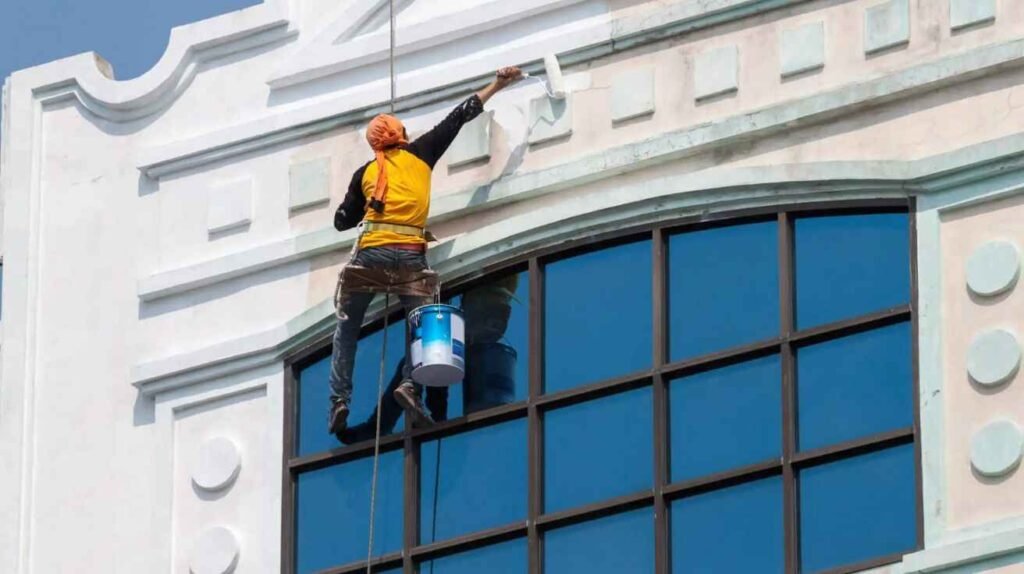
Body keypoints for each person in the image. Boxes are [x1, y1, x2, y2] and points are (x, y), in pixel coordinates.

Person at [328, 66, 524, 437]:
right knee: (424, 321)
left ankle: (340, 400)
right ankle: (410, 384)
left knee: (347, 329)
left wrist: (354, 205)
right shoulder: (421, 153)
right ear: (402, 136)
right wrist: (498, 84)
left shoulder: (365, 173)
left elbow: (342, 221)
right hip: (408, 255)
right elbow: (461, 115)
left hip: (369, 256)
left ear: (375, 145)